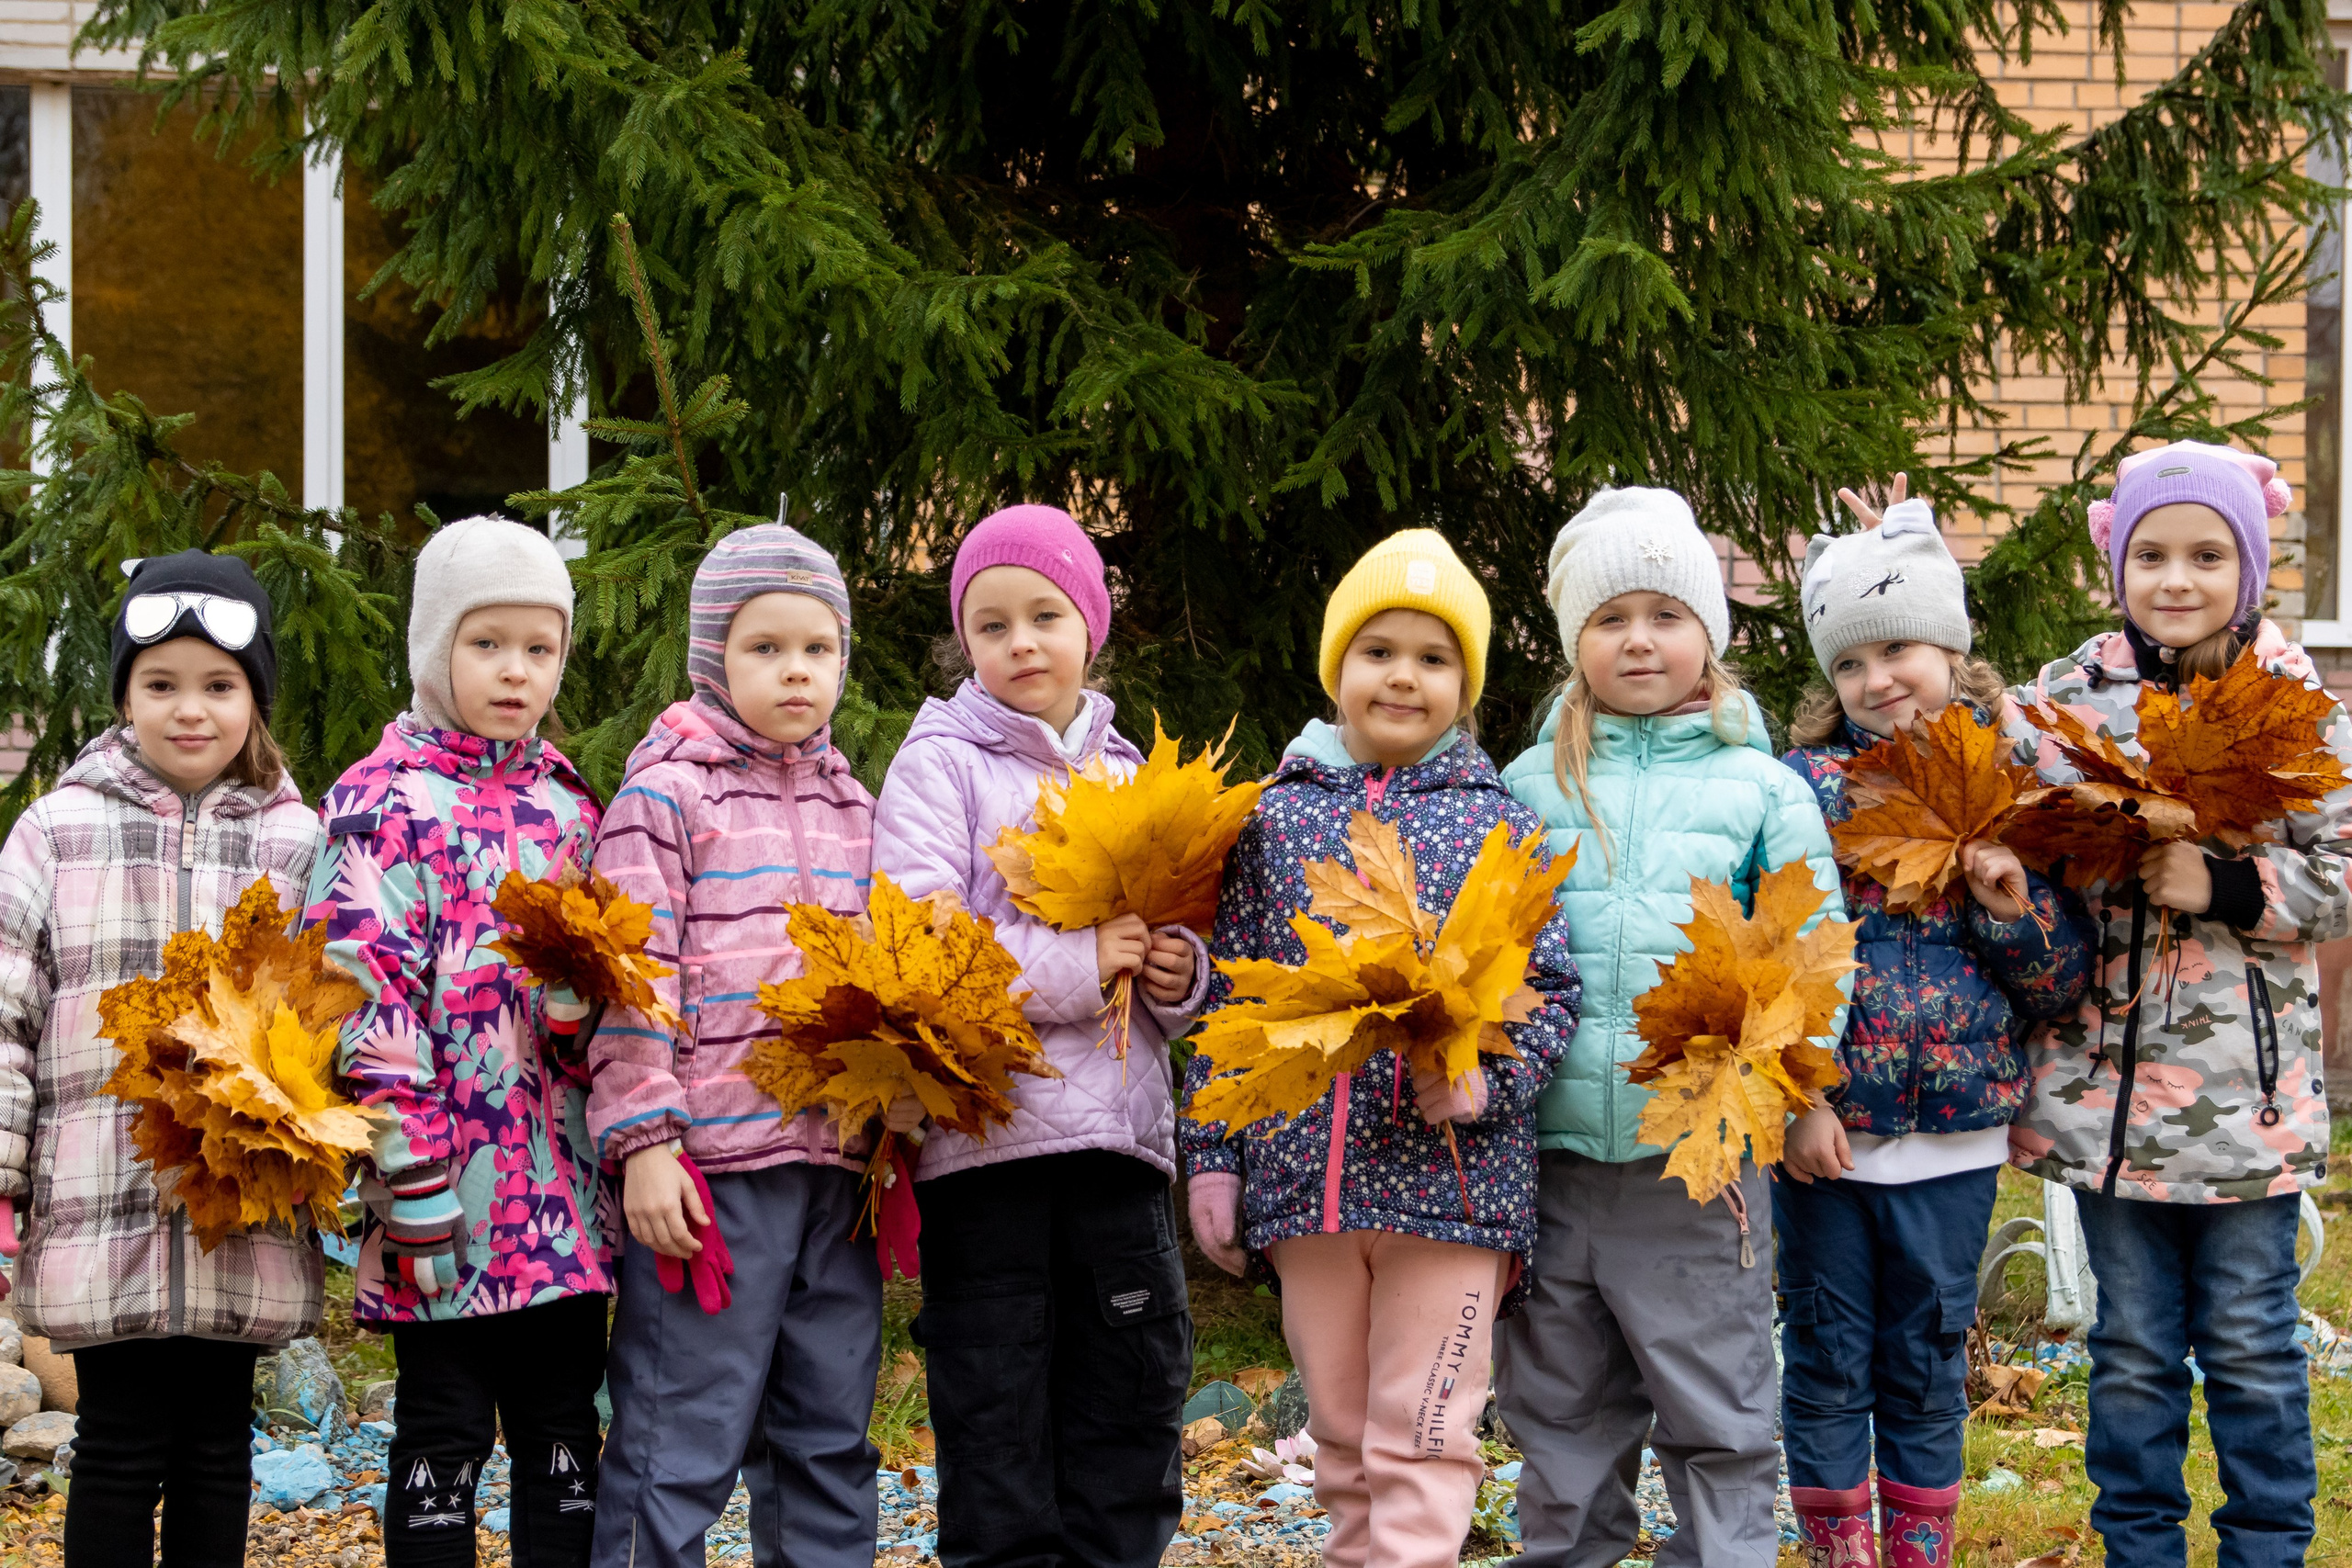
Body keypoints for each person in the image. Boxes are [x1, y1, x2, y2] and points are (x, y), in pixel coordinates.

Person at [1182, 529, 1580, 1568]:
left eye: (1434, 657)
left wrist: (1488, 1084)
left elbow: (1551, 994)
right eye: (1378, 651)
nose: (1403, 675)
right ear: (1337, 671)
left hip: (1450, 1189)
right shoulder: (1273, 821)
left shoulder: (1505, 828)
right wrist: (1215, 1159)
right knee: (1344, 1441)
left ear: (1466, 685)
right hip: (1306, 1183)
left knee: (1425, 1434)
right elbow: (1234, 999)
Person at [2007, 441, 2344, 1568]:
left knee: (2250, 1345)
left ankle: (2266, 1550)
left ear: (2250, 565)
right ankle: (2137, 1550)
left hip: (2247, 1108)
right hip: (2105, 1102)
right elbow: (2011, 823)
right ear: (2117, 561)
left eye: (2208, 554)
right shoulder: (2064, 699)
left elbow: (2343, 869)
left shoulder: (2296, 701)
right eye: (2150, 553)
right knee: (2133, 1348)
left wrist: (2228, 882)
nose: (2177, 579)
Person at [1495, 486, 1844, 1568]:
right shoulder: (1524, 787)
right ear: (1572, 644)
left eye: (1665, 615)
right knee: (1558, 1414)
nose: (1638, 640)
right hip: (1547, 1160)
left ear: (1708, 635)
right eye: (1609, 619)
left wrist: (1799, 1100)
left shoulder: (1760, 791)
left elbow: (1811, 960)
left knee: (1717, 1413)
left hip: (1698, 1168)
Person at [871, 503, 1209, 1568]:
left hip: (1116, 1153)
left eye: (1045, 616)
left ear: (1089, 628)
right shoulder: (942, 768)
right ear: (963, 644)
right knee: (996, 1409)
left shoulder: (1129, 777)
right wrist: (1077, 964)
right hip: (987, 1154)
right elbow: (921, 945)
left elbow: (1179, 932)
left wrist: (1173, 974)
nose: (1021, 642)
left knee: (1128, 1400)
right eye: (992, 625)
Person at [1779, 485, 2093, 1566]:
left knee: (1921, 1355)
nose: (1877, 679)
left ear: (1952, 649)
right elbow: (1765, 960)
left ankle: (1918, 1546)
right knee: (1824, 1351)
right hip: (1830, 1138)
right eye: (1850, 663)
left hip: (1956, 1136)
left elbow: (2057, 984)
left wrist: (2010, 908)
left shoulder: (2013, 785)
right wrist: (1799, 1097)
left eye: (1899, 647)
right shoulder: (1801, 792)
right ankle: (1839, 1548)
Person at [589, 525, 910, 1568]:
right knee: (676, 1440)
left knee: (827, 1439)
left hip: (840, 1172)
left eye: (817, 650)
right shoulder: (663, 799)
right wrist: (645, 1142)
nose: (795, 671)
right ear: (712, 660)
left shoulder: (862, 810)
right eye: (765, 648)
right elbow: (632, 981)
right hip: (710, 1178)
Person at [0, 550, 321, 1566]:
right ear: (123, 695)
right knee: (119, 1443)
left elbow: (331, 1024)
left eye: (221, 686)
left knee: (221, 1447)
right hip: (101, 1191)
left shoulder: (299, 842)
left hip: (242, 1204)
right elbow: (5, 1010)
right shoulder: (58, 831)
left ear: (255, 697)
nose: (193, 710)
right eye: (161, 684)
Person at [305, 516, 609, 1567]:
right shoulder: (379, 803)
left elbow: (605, 976)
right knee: (441, 1435)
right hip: (442, 1196)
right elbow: (364, 1002)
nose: (516, 672)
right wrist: (413, 1175)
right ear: (436, 649)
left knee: (565, 1437)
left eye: (540, 647)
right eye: (487, 645)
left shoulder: (570, 804)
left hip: (561, 1197)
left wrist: (579, 1016)